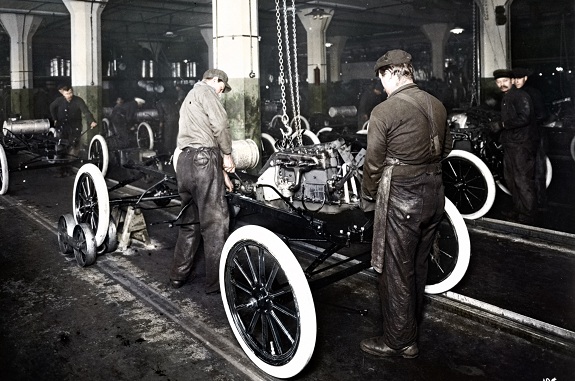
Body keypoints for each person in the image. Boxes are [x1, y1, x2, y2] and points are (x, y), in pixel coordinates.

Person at [360, 49, 452, 358]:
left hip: (402, 197)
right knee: (418, 264)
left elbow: (372, 164)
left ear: (388, 74)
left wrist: (368, 197)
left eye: (382, 80)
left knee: (396, 269)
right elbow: (446, 146)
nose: (382, 86)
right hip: (435, 193)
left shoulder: (384, 111)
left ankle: (399, 341)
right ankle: (410, 328)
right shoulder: (437, 105)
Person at [169, 68, 235, 294]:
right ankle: (217, 285)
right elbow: (220, 125)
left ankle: (178, 275)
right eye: (222, 87)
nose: (221, 92)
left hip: (184, 162)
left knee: (189, 223)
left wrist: (220, 173)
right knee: (215, 223)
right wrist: (226, 155)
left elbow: (197, 137)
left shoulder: (189, 96)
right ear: (215, 80)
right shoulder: (207, 93)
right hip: (204, 161)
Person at [492, 69, 538, 224]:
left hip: (521, 145)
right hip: (511, 144)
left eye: (504, 81)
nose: (501, 84)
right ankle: (519, 210)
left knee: (522, 180)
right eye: (498, 82)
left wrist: (503, 124)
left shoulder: (520, 96)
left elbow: (525, 117)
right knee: (511, 180)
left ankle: (528, 215)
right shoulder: (507, 97)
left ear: (512, 80)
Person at [512, 67, 549, 209]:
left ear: (525, 78)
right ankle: (532, 204)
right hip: (527, 136)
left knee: (538, 170)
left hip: (536, 135)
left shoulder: (532, 93)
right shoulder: (516, 93)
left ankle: (540, 203)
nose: (516, 81)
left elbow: (542, 115)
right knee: (527, 171)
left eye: (519, 78)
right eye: (514, 79)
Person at [49, 85, 97, 176]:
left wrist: (91, 121)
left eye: (71, 92)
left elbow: (86, 111)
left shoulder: (78, 100)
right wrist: (55, 118)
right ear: (62, 93)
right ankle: (60, 170)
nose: (70, 95)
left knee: (73, 148)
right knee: (61, 148)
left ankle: (69, 168)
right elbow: (52, 107)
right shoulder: (59, 101)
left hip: (75, 128)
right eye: (67, 94)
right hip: (62, 128)